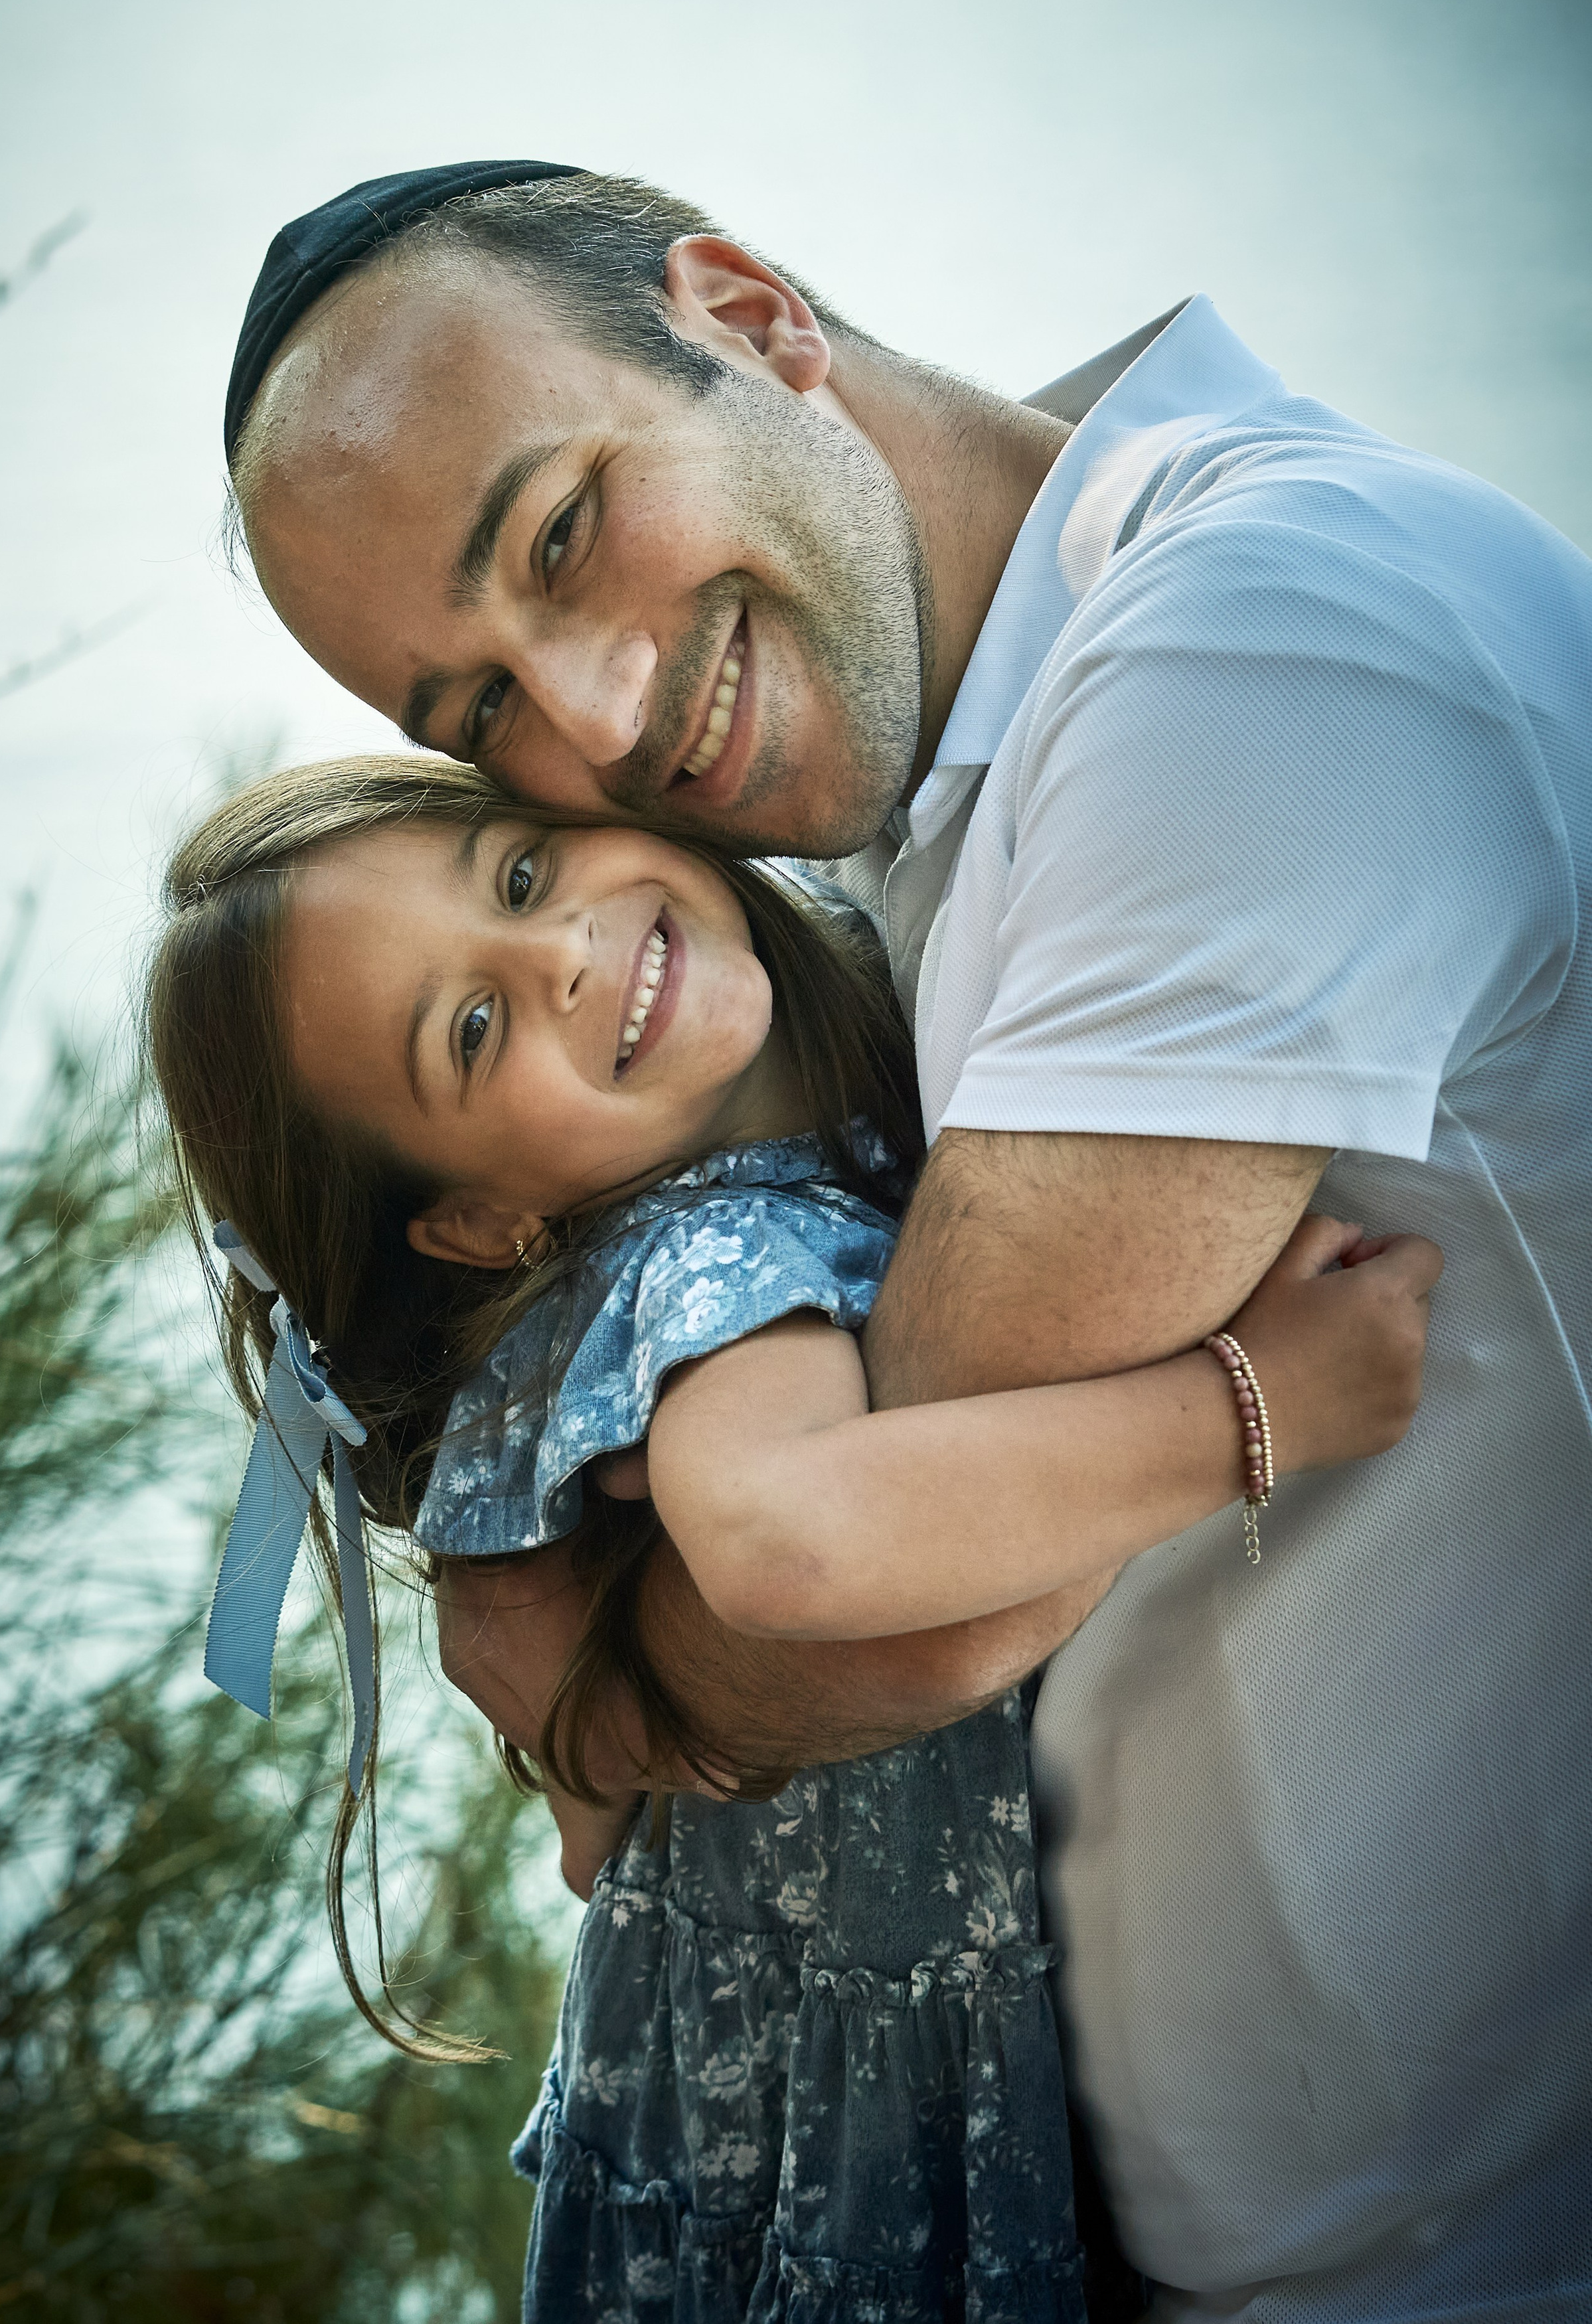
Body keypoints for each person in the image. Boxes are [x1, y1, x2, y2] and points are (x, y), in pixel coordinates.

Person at [218, 163, 1592, 2320]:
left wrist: (599, 1686)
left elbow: (888, 1598)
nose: (592, 721)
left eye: (561, 532)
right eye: (479, 712)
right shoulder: (897, 839)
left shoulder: (1251, 645)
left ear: (752, 313)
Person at [147, 753, 1435, 2323]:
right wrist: (1256, 1403)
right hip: (822, 2108)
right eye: (472, 1032)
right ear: (481, 1225)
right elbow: (785, 1542)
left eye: (518, 873)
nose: (558, 952)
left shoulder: (844, 999)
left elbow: (587, 1784)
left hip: (780, 2027)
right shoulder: (713, 1256)